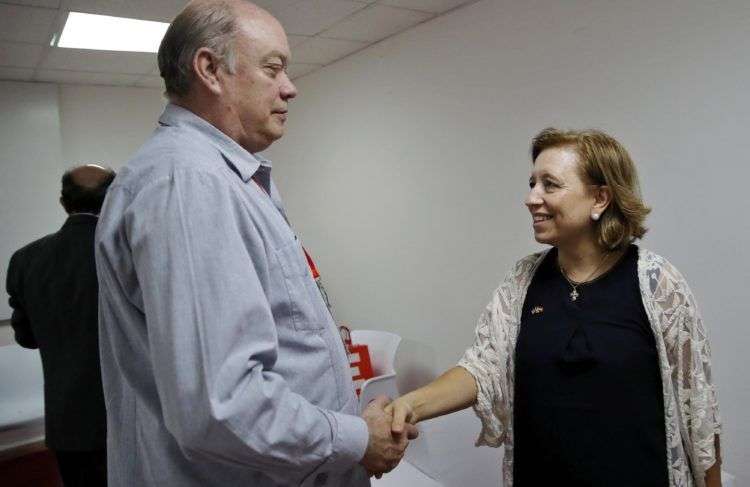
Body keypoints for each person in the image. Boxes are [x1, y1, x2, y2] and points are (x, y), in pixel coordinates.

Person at [94, 1, 415, 486]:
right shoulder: (189, 184)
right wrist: (355, 439)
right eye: (272, 68)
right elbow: (223, 406)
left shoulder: (226, 176)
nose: (291, 87)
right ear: (210, 70)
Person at [387, 128, 722, 486]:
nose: (532, 198)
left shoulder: (657, 284)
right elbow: (483, 367)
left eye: (550, 184)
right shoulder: (523, 280)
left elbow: (698, 411)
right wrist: (411, 405)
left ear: (600, 198)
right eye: (532, 183)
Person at [6, 164, 116, 487]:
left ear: (63, 202)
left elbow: (26, 338)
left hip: (67, 422)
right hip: (128, 419)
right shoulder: (127, 251)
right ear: (112, 200)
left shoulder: (25, 260)